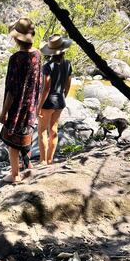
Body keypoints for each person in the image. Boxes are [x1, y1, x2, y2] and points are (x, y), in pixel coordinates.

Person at [0, 18, 42, 184]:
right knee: (26, 137)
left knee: (13, 143)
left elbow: (12, 89)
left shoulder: (16, 58)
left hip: (17, 107)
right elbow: (38, 82)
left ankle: (15, 175)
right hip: (31, 105)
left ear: (17, 39)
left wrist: (4, 111)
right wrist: (37, 106)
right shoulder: (38, 54)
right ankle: (28, 167)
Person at [37, 34, 73, 165]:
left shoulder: (47, 66)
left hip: (47, 102)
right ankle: (50, 159)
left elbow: (46, 88)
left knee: (42, 131)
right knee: (53, 130)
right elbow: (68, 84)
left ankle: (43, 161)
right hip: (60, 100)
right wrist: (63, 96)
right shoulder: (68, 64)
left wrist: (39, 106)